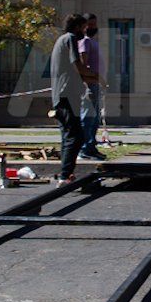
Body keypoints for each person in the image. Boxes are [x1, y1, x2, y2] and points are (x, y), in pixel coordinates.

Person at [50, 13, 90, 186]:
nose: (85, 31)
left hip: (62, 95)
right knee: (75, 136)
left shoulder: (62, 39)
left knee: (69, 135)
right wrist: (93, 76)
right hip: (67, 95)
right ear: (76, 27)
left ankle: (66, 173)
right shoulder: (71, 38)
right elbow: (77, 64)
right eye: (83, 27)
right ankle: (64, 175)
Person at [77, 14, 107, 161]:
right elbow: (83, 65)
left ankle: (91, 146)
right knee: (88, 118)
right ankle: (84, 149)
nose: (93, 27)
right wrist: (92, 79)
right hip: (88, 85)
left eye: (95, 24)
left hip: (95, 84)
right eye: (90, 24)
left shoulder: (92, 41)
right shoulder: (84, 41)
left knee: (94, 119)